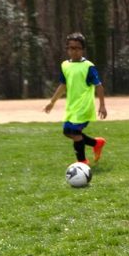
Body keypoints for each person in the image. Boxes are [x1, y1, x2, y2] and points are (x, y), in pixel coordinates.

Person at [44, 33, 108, 164]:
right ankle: (96, 143)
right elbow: (63, 85)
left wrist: (102, 105)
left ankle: (82, 162)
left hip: (84, 107)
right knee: (67, 131)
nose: (74, 51)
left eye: (77, 48)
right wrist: (52, 102)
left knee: (74, 132)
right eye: (71, 48)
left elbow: (99, 86)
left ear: (83, 49)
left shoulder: (88, 67)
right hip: (72, 106)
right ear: (67, 49)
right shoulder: (65, 65)